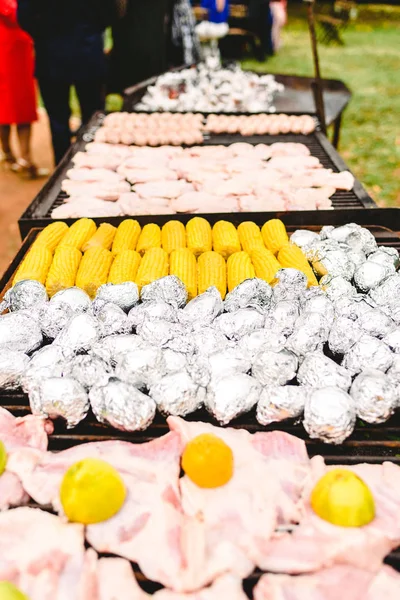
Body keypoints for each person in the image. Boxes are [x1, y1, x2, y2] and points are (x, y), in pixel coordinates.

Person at [17, 0, 119, 165]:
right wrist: (90, 31)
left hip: (51, 53)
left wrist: (45, 35)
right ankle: (93, 165)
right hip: (87, 49)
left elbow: (24, 17)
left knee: (59, 121)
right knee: (92, 116)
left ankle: (62, 168)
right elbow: (110, 13)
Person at [0, 0, 46, 177]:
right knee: (17, 105)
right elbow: (17, 15)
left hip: (14, 49)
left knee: (11, 105)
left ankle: (11, 156)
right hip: (11, 51)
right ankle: (22, 159)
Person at [109, 0, 170, 95]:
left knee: (130, 97)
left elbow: (120, 11)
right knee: (152, 95)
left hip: (131, 47)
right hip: (155, 44)